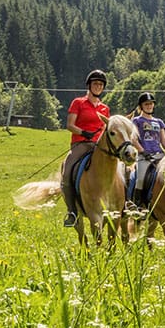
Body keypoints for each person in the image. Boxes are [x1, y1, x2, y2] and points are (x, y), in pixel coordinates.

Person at [59, 69, 110, 227]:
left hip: (99, 146)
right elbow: (69, 125)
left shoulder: (105, 109)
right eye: (95, 83)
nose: (98, 86)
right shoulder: (78, 103)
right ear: (89, 85)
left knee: (122, 171)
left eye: (101, 84)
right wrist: (83, 133)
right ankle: (72, 212)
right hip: (81, 144)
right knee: (67, 172)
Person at [127, 92, 165, 217]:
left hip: (159, 155)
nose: (149, 106)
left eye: (151, 104)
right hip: (144, 156)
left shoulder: (159, 122)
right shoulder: (137, 121)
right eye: (146, 104)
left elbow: (164, 141)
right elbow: (133, 139)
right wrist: (142, 151)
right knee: (140, 178)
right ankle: (137, 205)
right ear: (141, 106)